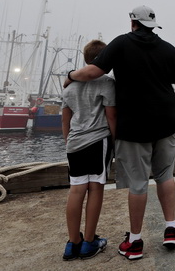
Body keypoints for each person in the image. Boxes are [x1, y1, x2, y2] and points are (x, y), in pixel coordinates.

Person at [65, 5, 175, 261]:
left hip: (133, 127)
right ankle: (171, 228)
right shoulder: (170, 49)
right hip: (166, 121)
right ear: (153, 25)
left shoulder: (121, 44)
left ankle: (134, 242)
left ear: (132, 23)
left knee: (138, 183)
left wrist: (69, 75)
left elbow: (93, 71)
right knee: (165, 175)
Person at [61, 39, 117, 261]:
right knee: (96, 189)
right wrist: (117, 142)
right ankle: (89, 242)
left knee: (76, 190)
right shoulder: (106, 83)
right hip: (98, 141)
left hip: (74, 144)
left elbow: (66, 119)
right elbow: (111, 115)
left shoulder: (69, 85)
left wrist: (69, 143)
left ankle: (72, 243)